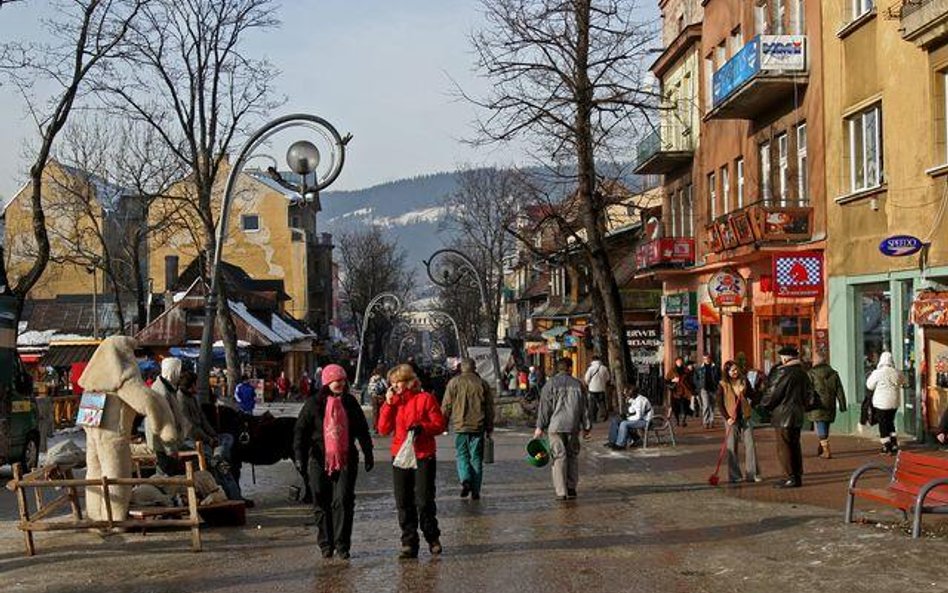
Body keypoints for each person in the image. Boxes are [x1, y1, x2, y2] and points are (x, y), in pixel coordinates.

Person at [293, 364, 374, 560]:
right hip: (319, 459)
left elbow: (362, 430)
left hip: (346, 459)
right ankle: (325, 544)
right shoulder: (313, 404)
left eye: (342, 380)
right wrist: (299, 457)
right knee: (321, 500)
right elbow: (300, 432)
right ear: (327, 382)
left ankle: (342, 544)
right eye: (335, 380)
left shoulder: (350, 403)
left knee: (343, 500)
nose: (339, 383)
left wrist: (368, 453)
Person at [377, 364, 446, 559]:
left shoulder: (425, 399)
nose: (394, 387)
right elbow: (382, 429)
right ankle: (408, 541)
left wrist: (422, 428)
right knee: (403, 500)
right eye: (391, 384)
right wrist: (388, 404)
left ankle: (432, 537)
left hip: (423, 454)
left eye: (397, 382)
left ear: (408, 382)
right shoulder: (393, 403)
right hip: (400, 456)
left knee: (424, 500)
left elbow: (439, 424)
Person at [534, 357, 591, 501]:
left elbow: (544, 408)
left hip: (555, 426)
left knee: (559, 457)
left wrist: (540, 427)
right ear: (570, 368)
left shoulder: (550, 384)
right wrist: (586, 426)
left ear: (557, 369)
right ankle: (571, 487)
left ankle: (561, 492)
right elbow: (584, 408)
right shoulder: (578, 385)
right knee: (572, 456)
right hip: (573, 426)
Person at [441, 358, 494, 500]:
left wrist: (443, 423)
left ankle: (465, 479)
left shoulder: (454, 383)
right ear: (474, 368)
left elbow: (446, 406)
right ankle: (476, 490)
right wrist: (489, 426)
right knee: (476, 457)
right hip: (478, 426)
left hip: (460, 426)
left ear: (461, 368)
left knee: (462, 455)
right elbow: (489, 408)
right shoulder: (482, 384)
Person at [760, 345, 811, 488]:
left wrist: (763, 405)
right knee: (795, 445)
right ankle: (797, 475)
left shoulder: (783, 372)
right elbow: (809, 394)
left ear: (785, 358)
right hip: (797, 414)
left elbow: (773, 393)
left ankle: (789, 477)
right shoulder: (802, 372)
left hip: (783, 415)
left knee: (784, 447)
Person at [716, 361, 760, 483]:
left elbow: (753, 395)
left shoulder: (744, 381)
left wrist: (756, 398)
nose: (735, 372)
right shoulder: (723, 384)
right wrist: (727, 417)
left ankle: (752, 473)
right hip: (731, 418)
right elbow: (719, 403)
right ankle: (734, 475)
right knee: (732, 445)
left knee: (750, 444)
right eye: (732, 370)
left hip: (745, 416)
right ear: (727, 372)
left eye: (736, 369)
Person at [807, 352, 847, 459]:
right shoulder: (834, 374)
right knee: (825, 424)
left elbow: (808, 390)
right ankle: (821, 446)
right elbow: (840, 390)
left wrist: (806, 403)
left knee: (820, 424)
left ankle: (826, 449)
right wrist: (842, 404)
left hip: (817, 404)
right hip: (830, 403)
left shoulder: (812, 373)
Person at [866, 352, 903, 456]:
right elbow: (903, 381)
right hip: (894, 402)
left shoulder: (878, 372)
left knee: (882, 423)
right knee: (890, 422)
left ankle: (886, 445)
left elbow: (869, 385)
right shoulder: (897, 372)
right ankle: (894, 442)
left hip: (881, 402)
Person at [604, 385, 652, 449]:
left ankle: (620, 444)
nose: (627, 397)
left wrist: (627, 418)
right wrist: (627, 404)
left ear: (632, 394)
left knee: (624, 423)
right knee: (615, 420)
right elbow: (631, 410)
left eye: (628, 395)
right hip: (639, 419)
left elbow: (638, 416)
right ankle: (612, 441)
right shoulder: (634, 399)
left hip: (645, 420)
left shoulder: (641, 401)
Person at [665, 357, 693, 427]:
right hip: (675, 391)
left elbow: (691, 379)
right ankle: (677, 421)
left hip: (685, 391)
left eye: (681, 361)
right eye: (678, 361)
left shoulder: (686, 370)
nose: (680, 362)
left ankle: (683, 421)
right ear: (676, 362)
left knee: (685, 406)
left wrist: (691, 388)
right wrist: (673, 380)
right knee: (675, 407)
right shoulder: (672, 370)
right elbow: (666, 380)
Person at [695, 354, 721, 429]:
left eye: (707, 358)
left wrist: (718, 385)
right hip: (704, 389)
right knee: (706, 405)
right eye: (704, 358)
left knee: (712, 406)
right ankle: (705, 422)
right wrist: (699, 386)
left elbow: (720, 377)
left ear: (710, 359)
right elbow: (695, 378)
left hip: (713, 388)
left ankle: (711, 421)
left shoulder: (715, 367)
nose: (706, 360)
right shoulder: (699, 368)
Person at [584, 355, 611, 424]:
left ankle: (593, 418)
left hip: (592, 388)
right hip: (601, 388)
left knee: (592, 404)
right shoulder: (604, 368)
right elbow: (608, 378)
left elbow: (586, 379)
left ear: (592, 360)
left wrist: (588, 384)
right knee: (602, 402)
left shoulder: (590, 368)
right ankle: (604, 415)